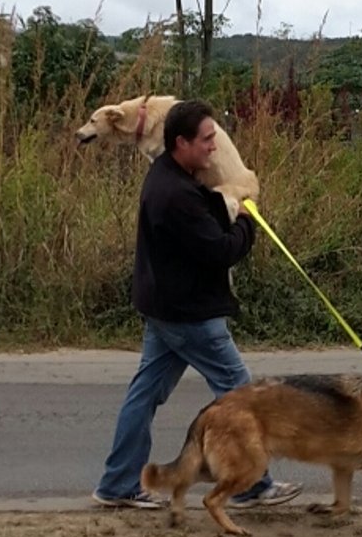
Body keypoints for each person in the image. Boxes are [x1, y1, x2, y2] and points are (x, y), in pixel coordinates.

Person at [92, 99, 301, 510]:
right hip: (188, 313)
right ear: (180, 142)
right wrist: (245, 220)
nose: (214, 147)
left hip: (164, 305)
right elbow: (220, 251)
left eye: (214, 138)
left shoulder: (171, 177)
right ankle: (250, 486)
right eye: (207, 140)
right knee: (241, 393)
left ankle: (116, 485)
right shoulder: (177, 196)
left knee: (144, 394)